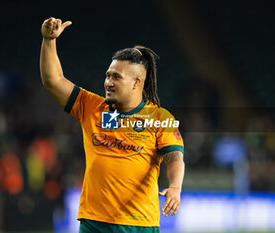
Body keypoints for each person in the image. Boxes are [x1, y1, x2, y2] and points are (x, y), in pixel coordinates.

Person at [40, 17, 185, 233]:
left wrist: (175, 187)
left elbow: (174, 156)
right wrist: (48, 41)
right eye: (108, 76)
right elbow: (53, 81)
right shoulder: (90, 107)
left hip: (139, 225)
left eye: (116, 77)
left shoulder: (159, 117)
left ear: (137, 82)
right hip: (94, 222)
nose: (108, 82)